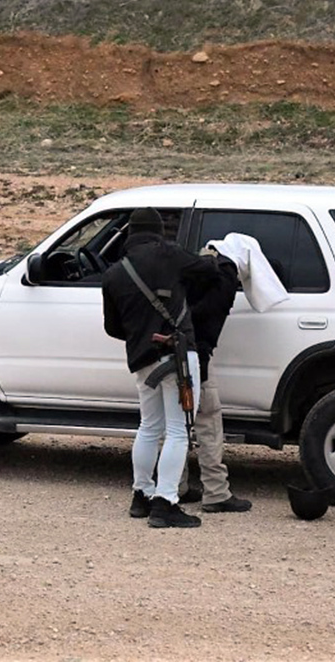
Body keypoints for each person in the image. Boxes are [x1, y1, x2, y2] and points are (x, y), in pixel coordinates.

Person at [102, 208, 216, 529]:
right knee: (179, 431)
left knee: (149, 427)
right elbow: (206, 271)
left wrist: (141, 333)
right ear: (158, 231)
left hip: (142, 359)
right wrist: (211, 257)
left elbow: (113, 327)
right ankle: (166, 503)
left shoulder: (114, 273)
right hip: (178, 356)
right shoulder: (169, 254)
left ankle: (141, 495)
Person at [176, 246, 253, 513]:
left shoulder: (182, 282)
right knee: (208, 426)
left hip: (172, 361)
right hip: (200, 365)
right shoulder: (222, 284)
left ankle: (176, 486)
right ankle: (216, 492)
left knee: (176, 428)